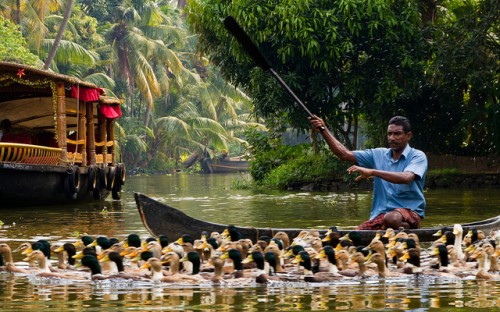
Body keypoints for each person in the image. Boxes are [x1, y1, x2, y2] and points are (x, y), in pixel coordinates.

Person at [309, 115, 427, 230]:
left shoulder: (417, 156)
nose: (392, 138)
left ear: (408, 136)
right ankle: (388, 227)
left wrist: (373, 172)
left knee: (391, 219)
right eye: (389, 134)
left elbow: (406, 177)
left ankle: (407, 226)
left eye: (397, 134)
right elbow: (343, 154)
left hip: (409, 212)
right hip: (380, 215)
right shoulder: (378, 154)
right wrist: (323, 130)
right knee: (356, 235)